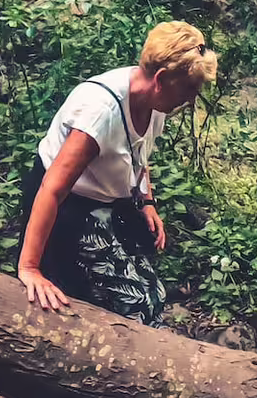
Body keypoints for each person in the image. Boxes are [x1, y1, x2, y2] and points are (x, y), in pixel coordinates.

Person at [18, 20, 218, 323]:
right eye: (189, 88)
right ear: (162, 79)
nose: (191, 99)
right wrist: (30, 268)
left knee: (155, 296)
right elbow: (52, 188)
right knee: (133, 304)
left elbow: (139, 155)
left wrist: (147, 201)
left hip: (106, 204)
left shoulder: (153, 101)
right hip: (66, 207)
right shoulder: (101, 113)